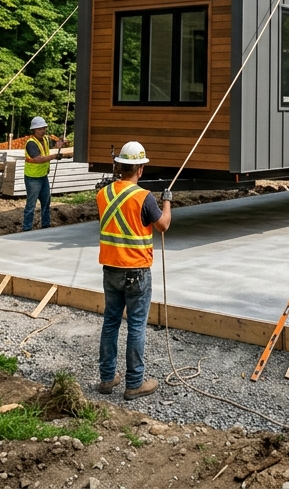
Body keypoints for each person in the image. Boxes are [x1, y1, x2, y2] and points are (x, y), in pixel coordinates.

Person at [96, 141, 172, 400]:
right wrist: (167, 203)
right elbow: (162, 226)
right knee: (136, 326)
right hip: (137, 271)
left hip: (110, 269)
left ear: (119, 167)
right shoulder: (144, 197)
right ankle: (134, 384)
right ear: (139, 169)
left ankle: (107, 380)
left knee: (110, 323)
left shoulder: (103, 194)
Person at [22, 116, 69, 232]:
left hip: (43, 176)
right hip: (32, 178)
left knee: (46, 201)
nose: (43, 130)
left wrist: (61, 142)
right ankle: (27, 228)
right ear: (34, 129)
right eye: (40, 128)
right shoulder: (31, 143)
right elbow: (38, 159)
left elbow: (56, 145)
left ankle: (46, 225)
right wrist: (54, 156)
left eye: (44, 128)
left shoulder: (46, 139)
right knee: (31, 204)